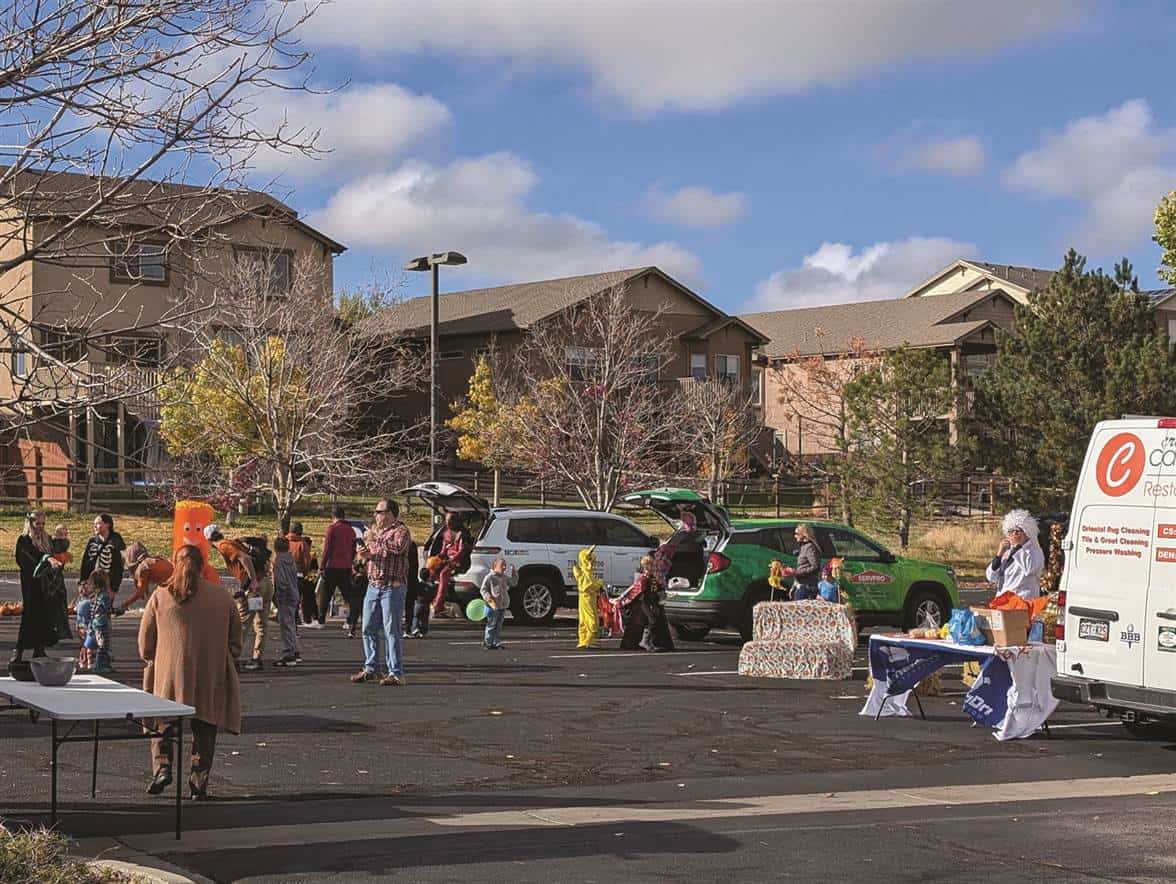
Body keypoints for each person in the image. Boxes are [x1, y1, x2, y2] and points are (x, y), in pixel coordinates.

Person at [140, 544, 242, 802]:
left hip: (169, 675)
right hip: (209, 673)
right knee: (205, 728)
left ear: (175, 563)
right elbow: (236, 642)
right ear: (203, 566)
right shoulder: (222, 597)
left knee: (163, 724)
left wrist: (155, 658)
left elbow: (145, 643)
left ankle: (162, 767)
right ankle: (199, 782)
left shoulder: (161, 596)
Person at [351, 499, 411, 686]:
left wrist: (373, 542)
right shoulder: (374, 533)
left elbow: (397, 548)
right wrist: (363, 553)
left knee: (391, 630)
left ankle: (395, 672)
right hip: (373, 585)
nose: (376, 515)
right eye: (376, 512)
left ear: (391, 514)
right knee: (367, 627)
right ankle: (371, 668)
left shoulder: (401, 531)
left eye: (380, 511)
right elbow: (369, 553)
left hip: (392, 587)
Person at [205, 525, 271, 671]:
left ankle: (232, 659)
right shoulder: (233, 542)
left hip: (254, 588)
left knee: (242, 624)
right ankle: (257, 658)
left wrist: (252, 580)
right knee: (261, 624)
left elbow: (245, 558)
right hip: (266, 584)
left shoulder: (224, 545)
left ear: (209, 541)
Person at [10, 511, 62, 675]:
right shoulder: (24, 540)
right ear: (31, 523)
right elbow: (27, 558)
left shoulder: (46, 539)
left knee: (44, 614)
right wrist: (45, 558)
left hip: (45, 584)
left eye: (42, 524)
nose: (40, 527)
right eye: (37, 524)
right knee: (30, 615)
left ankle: (39, 649)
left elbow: (54, 553)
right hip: (31, 584)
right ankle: (18, 651)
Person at [617, 555, 674, 652]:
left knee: (650, 621)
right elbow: (639, 593)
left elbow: (657, 589)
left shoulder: (652, 578)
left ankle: (647, 641)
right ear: (646, 567)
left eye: (653, 565)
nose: (653, 567)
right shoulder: (643, 579)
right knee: (651, 620)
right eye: (651, 565)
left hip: (651, 603)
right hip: (644, 603)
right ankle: (645, 641)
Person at [987, 509, 1046, 602]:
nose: (1013, 534)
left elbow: (1030, 569)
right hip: (1003, 602)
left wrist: (1019, 547)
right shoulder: (1007, 552)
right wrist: (999, 554)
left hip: (1023, 602)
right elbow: (991, 576)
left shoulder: (1035, 551)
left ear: (1027, 533)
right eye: (1010, 531)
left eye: (1017, 531)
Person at [316, 506, 356, 629]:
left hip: (332, 566)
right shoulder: (351, 530)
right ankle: (349, 620)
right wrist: (350, 560)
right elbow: (353, 549)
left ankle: (321, 620)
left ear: (333, 516)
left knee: (326, 594)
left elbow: (327, 549)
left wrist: (322, 566)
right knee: (347, 595)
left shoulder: (332, 529)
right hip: (346, 566)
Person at [428, 512, 472, 617]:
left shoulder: (463, 533)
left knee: (444, 573)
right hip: (447, 559)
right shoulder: (446, 532)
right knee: (432, 572)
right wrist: (438, 558)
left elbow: (462, 550)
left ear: (456, 521)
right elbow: (444, 550)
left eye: (450, 521)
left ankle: (439, 604)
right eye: (447, 521)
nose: (448, 523)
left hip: (458, 561)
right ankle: (429, 599)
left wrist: (451, 559)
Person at [117, 543, 175, 615]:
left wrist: (125, 604)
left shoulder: (143, 568)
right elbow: (144, 590)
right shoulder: (150, 562)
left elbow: (140, 592)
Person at [80, 513, 127, 600]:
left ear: (107, 524)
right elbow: (85, 563)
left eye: (98, 523)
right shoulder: (92, 541)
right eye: (94, 524)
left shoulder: (116, 540)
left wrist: (114, 588)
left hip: (109, 584)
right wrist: (82, 583)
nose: (95, 526)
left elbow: (119, 565)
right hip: (91, 583)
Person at [271, 536, 302, 667]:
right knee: (291, 624)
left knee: (286, 626)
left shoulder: (279, 562)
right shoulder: (291, 560)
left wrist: (279, 598)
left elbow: (281, 581)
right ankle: (295, 650)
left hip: (286, 596)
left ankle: (289, 653)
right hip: (294, 593)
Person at [480, 558, 516, 650]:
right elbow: (483, 589)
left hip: (502, 605)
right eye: (502, 565)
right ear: (495, 566)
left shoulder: (504, 577)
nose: (504, 567)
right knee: (492, 623)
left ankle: (496, 642)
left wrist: (514, 573)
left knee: (499, 625)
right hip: (493, 605)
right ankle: (488, 642)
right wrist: (488, 598)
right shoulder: (490, 577)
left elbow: (513, 583)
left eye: (505, 565)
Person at [285, 522, 315, 626]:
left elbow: (275, 559)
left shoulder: (283, 541)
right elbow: (306, 560)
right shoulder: (302, 544)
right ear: (300, 532)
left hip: (283, 573)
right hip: (297, 574)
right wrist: (305, 572)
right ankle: (295, 618)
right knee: (296, 598)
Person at [573, 546, 603, 649]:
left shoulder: (582, 572)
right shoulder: (586, 574)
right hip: (588, 599)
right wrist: (600, 583)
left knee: (583, 619)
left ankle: (583, 639)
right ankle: (588, 640)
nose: (593, 564)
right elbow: (590, 586)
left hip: (585, 599)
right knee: (591, 620)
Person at [88, 569, 116, 675]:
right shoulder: (104, 596)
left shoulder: (94, 596)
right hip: (102, 622)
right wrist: (119, 610)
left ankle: (106, 665)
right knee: (103, 645)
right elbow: (108, 609)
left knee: (104, 644)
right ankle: (99, 666)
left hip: (96, 622)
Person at [791, 525, 822, 600]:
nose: (795, 536)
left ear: (804, 535)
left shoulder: (810, 547)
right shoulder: (803, 547)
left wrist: (796, 572)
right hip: (801, 585)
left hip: (807, 587)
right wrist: (794, 586)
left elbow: (815, 566)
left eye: (797, 534)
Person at [403, 541, 424, 637]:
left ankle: (406, 628)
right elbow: (415, 565)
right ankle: (408, 628)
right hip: (410, 579)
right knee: (409, 606)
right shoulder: (411, 545)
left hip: (402, 579)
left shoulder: (405, 545)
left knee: (404, 606)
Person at [75, 581, 96, 671]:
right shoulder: (88, 603)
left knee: (84, 646)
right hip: (87, 627)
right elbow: (91, 615)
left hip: (80, 626)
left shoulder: (79, 602)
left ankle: (82, 661)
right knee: (89, 647)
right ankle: (89, 662)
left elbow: (78, 615)